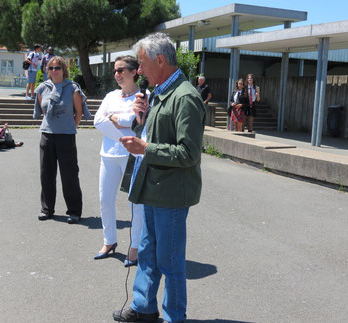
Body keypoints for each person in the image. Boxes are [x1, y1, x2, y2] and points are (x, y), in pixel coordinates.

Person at [112, 33, 206, 323]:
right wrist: (142, 122)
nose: (138, 71)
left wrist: (146, 148)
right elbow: (156, 137)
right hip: (153, 188)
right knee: (148, 252)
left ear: (161, 60)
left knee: (170, 260)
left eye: (142, 64)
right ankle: (143, 308)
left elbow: (188, 153)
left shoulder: (186, 97)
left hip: (172, 194)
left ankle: (174, 317)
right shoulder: (160, 93)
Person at [93, 55, 146, 266]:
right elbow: (98, 120)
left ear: (134, 72)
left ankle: (135, 247)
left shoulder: (143, 95)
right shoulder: (111, 96)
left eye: (121, 70)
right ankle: (109, 241)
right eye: (115, 71)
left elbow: (136, 121)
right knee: (105, 199)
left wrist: (115, 118)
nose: (117, 74)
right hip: (108, 154)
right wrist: (124, 133)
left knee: (135, 203)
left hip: (132, 156)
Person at [33, 56, 84, 224]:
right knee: (46, 174)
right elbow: (43, 109)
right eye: (51, 68)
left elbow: (79, 112)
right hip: (47, 135)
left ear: (64, 70)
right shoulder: (42, 88)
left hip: (66, 137)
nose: (54, 71)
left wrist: (70, 127)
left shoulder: (73, 88)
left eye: (57, 68)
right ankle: (47, 209)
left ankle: (74, 211)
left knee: (69, 175)